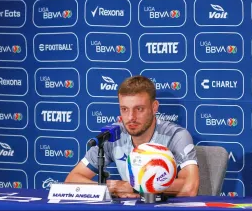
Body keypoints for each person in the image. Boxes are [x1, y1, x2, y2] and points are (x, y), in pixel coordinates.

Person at [65, 75, 199, 198]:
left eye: (139, 109)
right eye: (124, 109)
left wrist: (136, 188)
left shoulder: (176, 135)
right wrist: (112, 188)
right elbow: (72, 180)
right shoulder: (113, 135)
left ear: (154, 107)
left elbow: (190, 187)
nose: (130, 118)